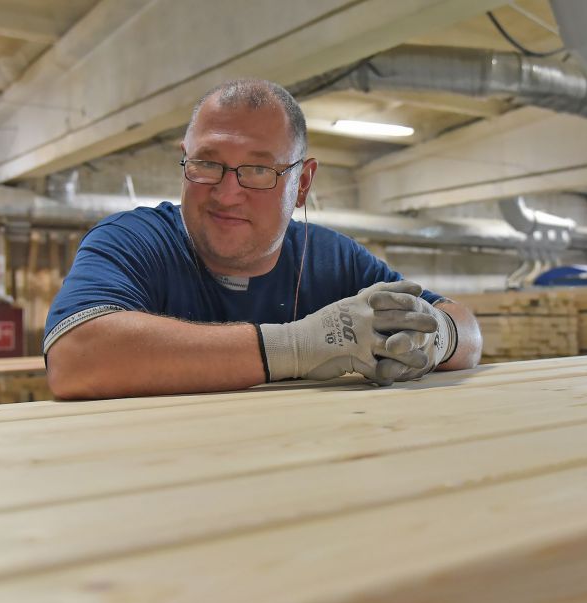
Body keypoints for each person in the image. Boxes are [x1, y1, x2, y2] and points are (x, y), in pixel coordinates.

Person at [44, 79, 482, 399]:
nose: (227, 192)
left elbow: (466, 329)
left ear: (303, 183)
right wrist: (301, 346)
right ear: (184, 160)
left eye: (257, 171)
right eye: (207, 163)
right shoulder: (131, 241)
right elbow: (76, 357)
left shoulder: (333, 259)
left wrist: (437, 335)